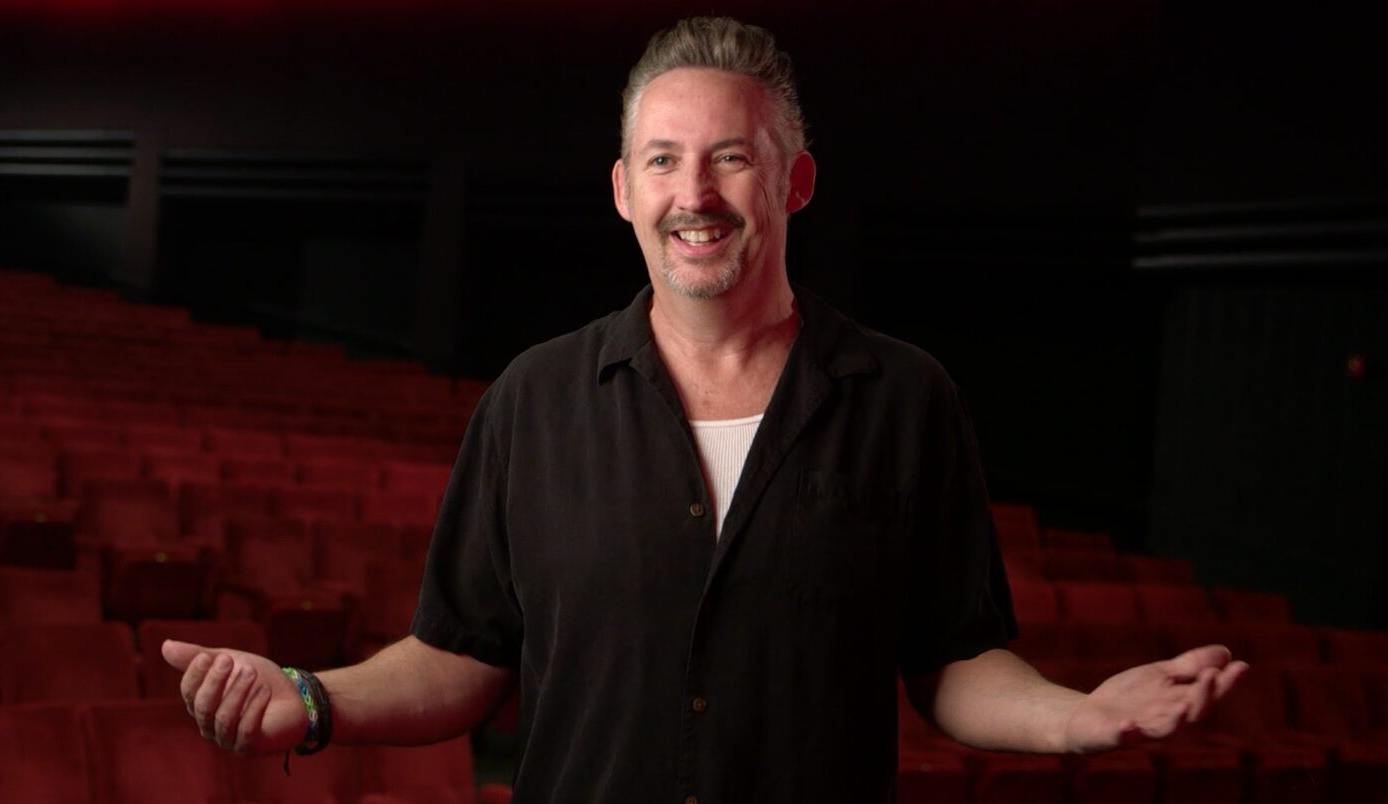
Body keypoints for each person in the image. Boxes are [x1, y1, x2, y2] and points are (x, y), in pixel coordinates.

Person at [164, 16, 1248, 802]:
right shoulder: (532, 401)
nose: (696, 195)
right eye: (663, 161)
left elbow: (951, 664)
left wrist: (1079, 716)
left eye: (731, 158)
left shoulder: (906, 399)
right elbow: (460, 659)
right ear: (623, 190)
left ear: (794, 182)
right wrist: (312, 698)